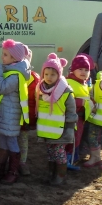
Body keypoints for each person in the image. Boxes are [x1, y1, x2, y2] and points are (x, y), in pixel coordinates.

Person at [0, 39, 31, 183]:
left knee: (11, 141)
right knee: (3, 140)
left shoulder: (16, 75)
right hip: (6, 113)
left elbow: (2, 88)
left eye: (5, 55)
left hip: (11, 115)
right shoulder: (11, 70)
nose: (2, 57)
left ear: (14, 58)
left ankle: (13, 171)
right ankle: (0, 169)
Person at [36, 54, 77, 186]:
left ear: (59, 75)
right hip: (47, 129)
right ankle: (51, 174)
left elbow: (71, 112)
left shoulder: (66, 92)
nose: (49, 77)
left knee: (59, 153)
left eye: (53, 74)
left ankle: (59, 176)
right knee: (50, 153)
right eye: (46, 74)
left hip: (61, 130)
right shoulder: (41, 90)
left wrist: (69, 128)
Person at [65, 53, 92, 169]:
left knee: (77, 138)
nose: (83, 72)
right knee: (71, 139)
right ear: (73, 70)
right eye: (80, 69)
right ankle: (67, 161)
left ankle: (73, 158)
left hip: (80, 118)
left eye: (86, 70)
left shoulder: (83, 83)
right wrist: (82, 102)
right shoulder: (69, 83)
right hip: (71, 118)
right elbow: (66, 100)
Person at [18, 48, 41, 177]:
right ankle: (11, 162)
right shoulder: (11, 75)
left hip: (26, 117)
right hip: (12, 116)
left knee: (23, 140)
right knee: (9, 140)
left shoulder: (34, 78)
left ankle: (22, 162)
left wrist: (32, 119)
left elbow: (35, 101)